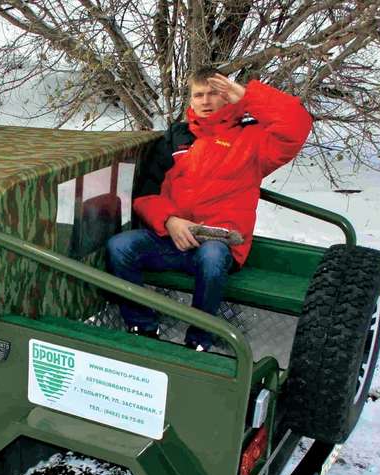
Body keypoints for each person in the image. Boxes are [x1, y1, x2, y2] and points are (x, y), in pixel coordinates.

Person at [106, 67, 312, 350]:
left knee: (212, 256)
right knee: (120, 246)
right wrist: (169, 221)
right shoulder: (176, 137)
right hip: (172, 237)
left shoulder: (253, 140)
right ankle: (142, 327)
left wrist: (249, 96)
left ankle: (200, 340)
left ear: (228, 97)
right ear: (190, 100)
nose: (205, 101)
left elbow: (296, 127)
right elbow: (147, 192)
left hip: (219, 242)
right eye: (198, 95)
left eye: (214, 93)